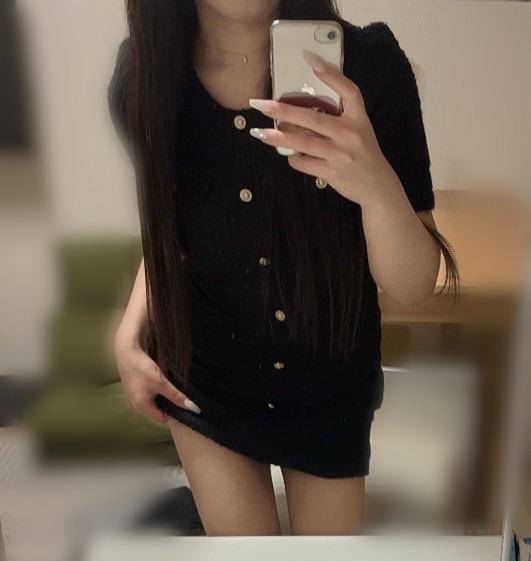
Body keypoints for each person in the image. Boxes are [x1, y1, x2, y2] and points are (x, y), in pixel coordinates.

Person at [109, 0, 459, 537]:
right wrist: (130, 328)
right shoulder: (146, 75)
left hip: (329, 383)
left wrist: (375, 185)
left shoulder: (370, 68)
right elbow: (173, 232)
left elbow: (412, 286)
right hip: (206, 379)